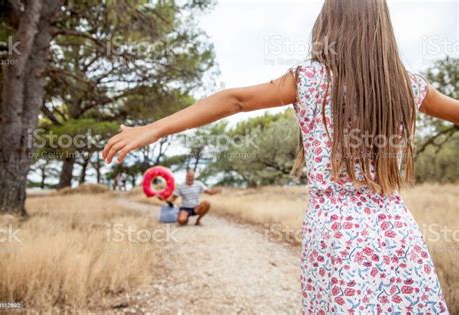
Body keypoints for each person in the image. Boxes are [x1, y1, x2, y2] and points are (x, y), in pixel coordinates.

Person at [102, 0, 458, 312]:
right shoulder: (409, 86)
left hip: (335, 232)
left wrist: (154, 129)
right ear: (383, 27)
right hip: (397, 231)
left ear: (331, 22)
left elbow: (234, 100)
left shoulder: (312, 78)